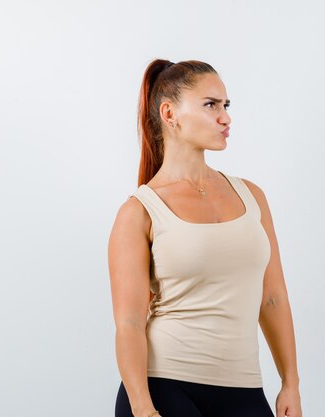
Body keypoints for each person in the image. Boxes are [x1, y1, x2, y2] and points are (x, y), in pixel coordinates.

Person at [107, 59, 302, 417]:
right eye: (210, 105)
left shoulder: (252, 196)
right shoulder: (140, 211)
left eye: (226, 106)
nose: (225, 117)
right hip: (165, 387)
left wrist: (290, 383)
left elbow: (272, 298)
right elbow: (129, 323)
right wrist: (142, 408)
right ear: (170, 113)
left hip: (244, 388)